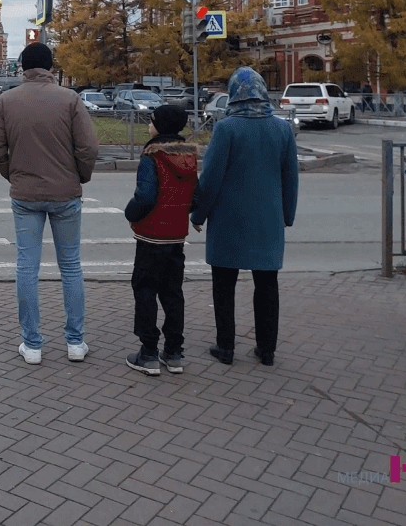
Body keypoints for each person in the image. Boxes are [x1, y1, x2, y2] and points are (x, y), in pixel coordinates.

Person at [0, 42, 98, 365]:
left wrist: (14, 175)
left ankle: (32, 345)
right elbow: (88, 148)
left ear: (22, 68)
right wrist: (80, 177)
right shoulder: (70, 99)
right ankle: (75, 343)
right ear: (50, 67)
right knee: (71, 265)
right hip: (66, 195)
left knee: (26, 267)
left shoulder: (7, 101)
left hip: (25, 196)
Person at [190, 67, 298, 367]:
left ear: (234, 94)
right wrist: (287, 214)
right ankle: (267, 350)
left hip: (228, 220)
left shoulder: (227, 128)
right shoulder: (282, 129)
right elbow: (291, 178)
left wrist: (198, 213)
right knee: (267, 285)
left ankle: (225, 347)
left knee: (224, 285)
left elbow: (211, 177)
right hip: (268, 221)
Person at [123, 105, 199, 377]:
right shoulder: (189, 158)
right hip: (176, 237)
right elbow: (196, 197)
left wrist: (129, 213)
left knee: (145, 290)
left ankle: (148, 352)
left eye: (151, 121)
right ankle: (174, 352)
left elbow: (145, 197)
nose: (148, 126)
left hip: (151, 236)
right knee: (172, 292)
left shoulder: (151, 157)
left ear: (160, 126)